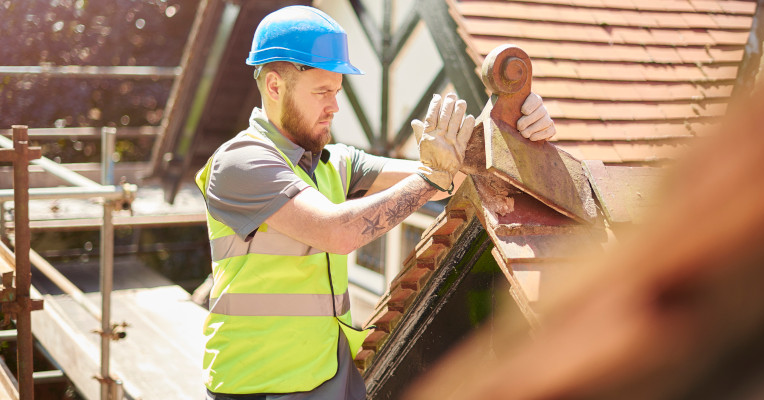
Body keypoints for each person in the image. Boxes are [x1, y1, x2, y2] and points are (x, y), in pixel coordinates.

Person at [196, 5, 556, 400]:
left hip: (332, 377)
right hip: (257, 388)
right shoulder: (240, 162)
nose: (335, 106)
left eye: (337, 91)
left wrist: (513, 130)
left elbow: (449, 176)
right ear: (275, 86)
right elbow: (337, 231)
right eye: (322, 92)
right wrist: (430, 177)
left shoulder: (335, 163)